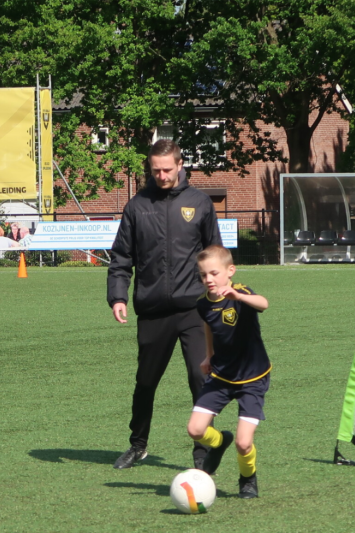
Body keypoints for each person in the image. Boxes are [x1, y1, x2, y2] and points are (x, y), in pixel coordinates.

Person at [107, 139, 222, 469]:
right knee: (146, 382)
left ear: (180, 164)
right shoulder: (137, 206)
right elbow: (121, 257)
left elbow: (215, 252)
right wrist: (118, 296)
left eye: (167, 169)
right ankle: (138, 445)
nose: (161, 175)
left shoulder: (199, 203)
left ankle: (202, 452)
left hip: (194, 309)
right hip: (153, 310)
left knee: (200, 378)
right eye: (155, 170)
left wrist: (221, 293)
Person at [187, 244, 271, 499]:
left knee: (244, 443)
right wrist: (208, 355)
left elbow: (264, 303)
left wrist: (239, 297)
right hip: (221, 376)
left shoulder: (241, 291)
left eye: (214, 273)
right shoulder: (203, 304)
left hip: (252, 378)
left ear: (230, 271)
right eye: (204, 275)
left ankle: (248, 479)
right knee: (195, 430)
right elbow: (209, 326)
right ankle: (220, 441)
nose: (209, 279)